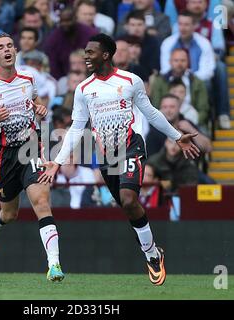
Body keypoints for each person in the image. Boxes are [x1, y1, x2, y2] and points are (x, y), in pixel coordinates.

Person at [38, 33, 200, 286]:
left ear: (106, 54)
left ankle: (150, 256)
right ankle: (155, 250)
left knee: (128, 198)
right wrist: (57, 161)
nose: (86, 56)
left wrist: (177, 136)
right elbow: (77, 128)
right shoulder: (83, 89)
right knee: (127, 207)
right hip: (106, 155)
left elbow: (151, 112)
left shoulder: (130, 80)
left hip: (131, 146)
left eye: (91, 52)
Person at [0, 33, 64, 282]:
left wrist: (40, 109)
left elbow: (36, 102)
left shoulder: (29, 78)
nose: (6, 50)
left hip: (31, 149)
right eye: (0, 47)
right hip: (4, 156)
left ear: (15, 51)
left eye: (9, 45)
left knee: (41, 202)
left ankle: (54, 265)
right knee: (10, 214)